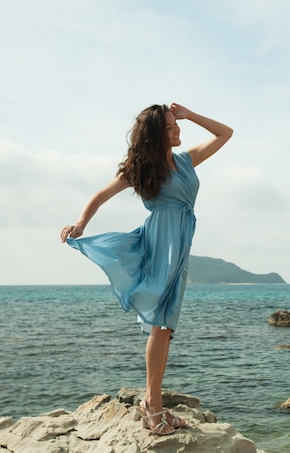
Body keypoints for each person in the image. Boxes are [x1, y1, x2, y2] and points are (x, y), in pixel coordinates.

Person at [60, 103, 233, 435]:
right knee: (162, 322)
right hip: (160, 245)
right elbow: (100, 194)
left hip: (179, 244)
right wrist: (81, 223)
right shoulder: (142, 169)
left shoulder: (186, 160)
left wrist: (189, 114)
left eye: (175, 125)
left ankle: (151, 404)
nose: (177, 131)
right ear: (156, 135)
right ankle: (153, 407)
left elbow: (226, 133)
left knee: (165, 326)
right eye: (170, 127)